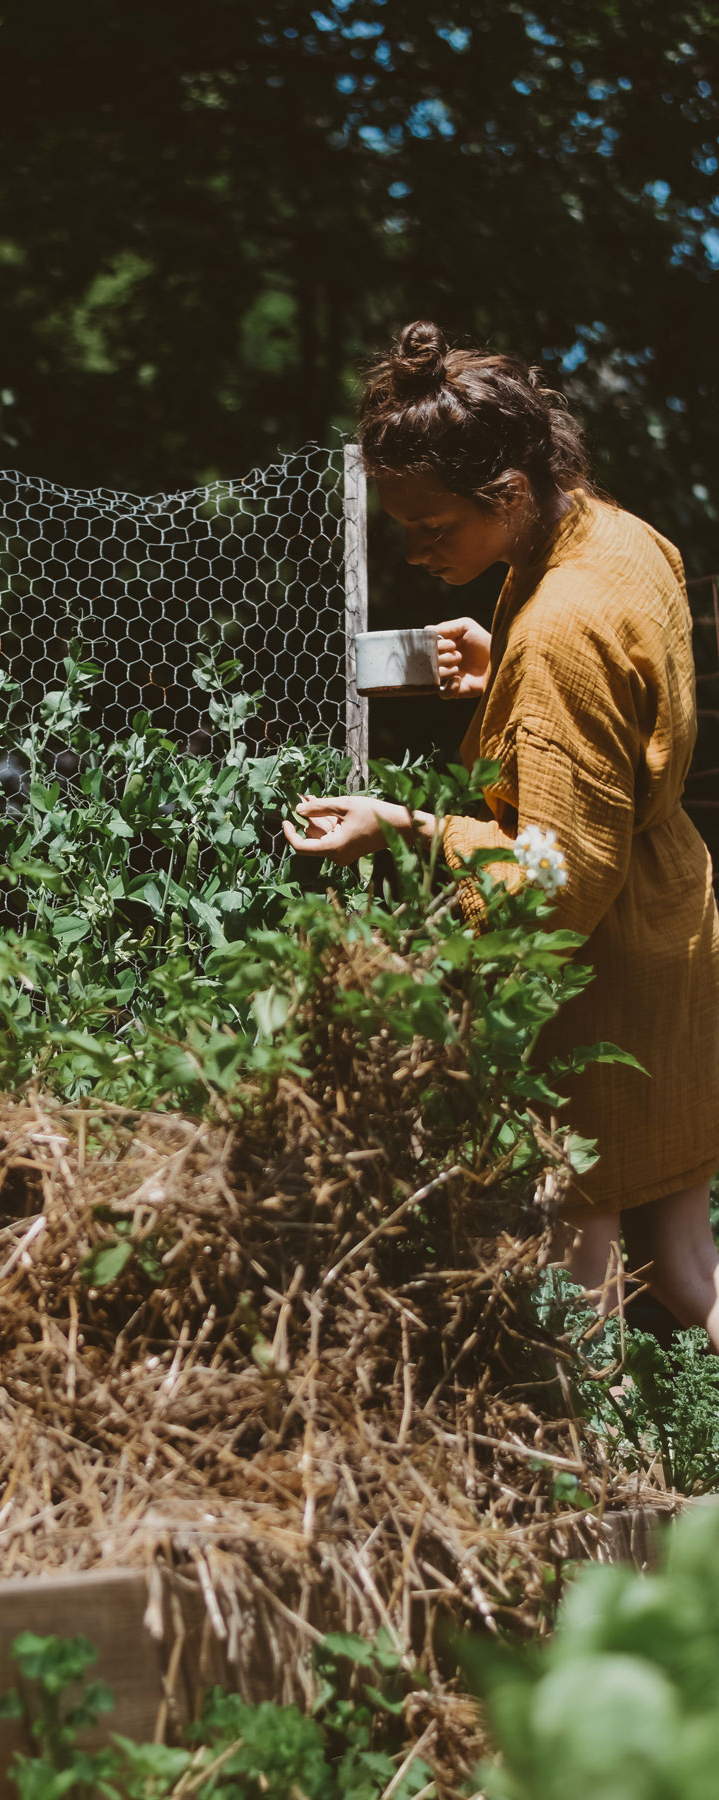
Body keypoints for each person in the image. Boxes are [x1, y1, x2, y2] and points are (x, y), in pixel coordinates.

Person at [283, 320, 719, 1348]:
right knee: (692, 1259)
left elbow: (558, 880)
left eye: (433, 526)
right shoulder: (616, 535)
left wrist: (408, 826)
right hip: (676, 927)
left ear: (512, 493)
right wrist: (507, 661)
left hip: (599, 974)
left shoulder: (558, 627)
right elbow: (631, 696)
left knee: (585, 1283)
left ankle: (612, 1495)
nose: (417, 549)